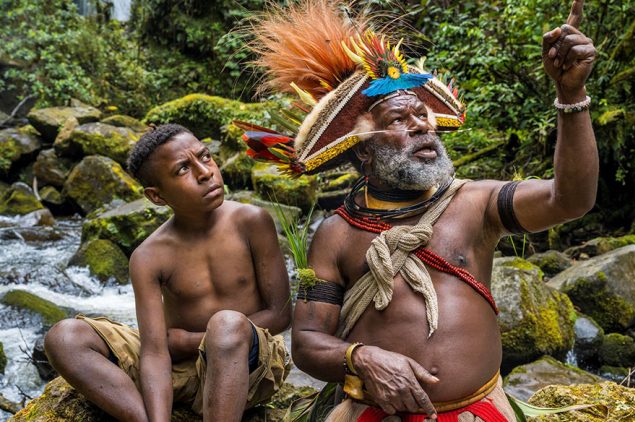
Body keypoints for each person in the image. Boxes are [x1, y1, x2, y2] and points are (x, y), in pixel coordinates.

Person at [239, 0, 596, 420]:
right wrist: (362, 357)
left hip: (477, 411)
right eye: (399, 119)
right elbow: (307, 343)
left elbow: (569, 200)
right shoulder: (336, 233)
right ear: (365, 150)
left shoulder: (476, 203)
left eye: (422, 114)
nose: (423, 124)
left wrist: (570, 94)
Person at [43, 124, 292, 422]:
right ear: (156, 196)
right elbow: (154, 352)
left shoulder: (252, 221)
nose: (205, 172)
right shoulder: (148, 256)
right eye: (183, 169)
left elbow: (280, 314)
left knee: (226, 324)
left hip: (245, 366)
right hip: (177, 371)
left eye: (206, 157)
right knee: (64, 337)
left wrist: (191, 340)